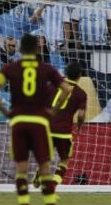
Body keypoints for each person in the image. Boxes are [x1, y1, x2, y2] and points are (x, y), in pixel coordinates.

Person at [0, 34, 72, 205]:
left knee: (21, 168)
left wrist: (7, 112)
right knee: (44, 167)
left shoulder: (9, 68)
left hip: (18, 122)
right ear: (36, 49)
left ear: (19, 49)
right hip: (39, 122)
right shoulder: (47, 69)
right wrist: (52, 111)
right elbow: (66, 89)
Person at [33, 62, 87, 191]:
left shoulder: (53, 85)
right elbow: (81, 115)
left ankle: (39, 174)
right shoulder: (80, 93)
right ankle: (52, 185)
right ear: (79, 76)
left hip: (46, 128)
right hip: (63, 131)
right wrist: (79, 127)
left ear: (65, 73)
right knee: (64, 160)